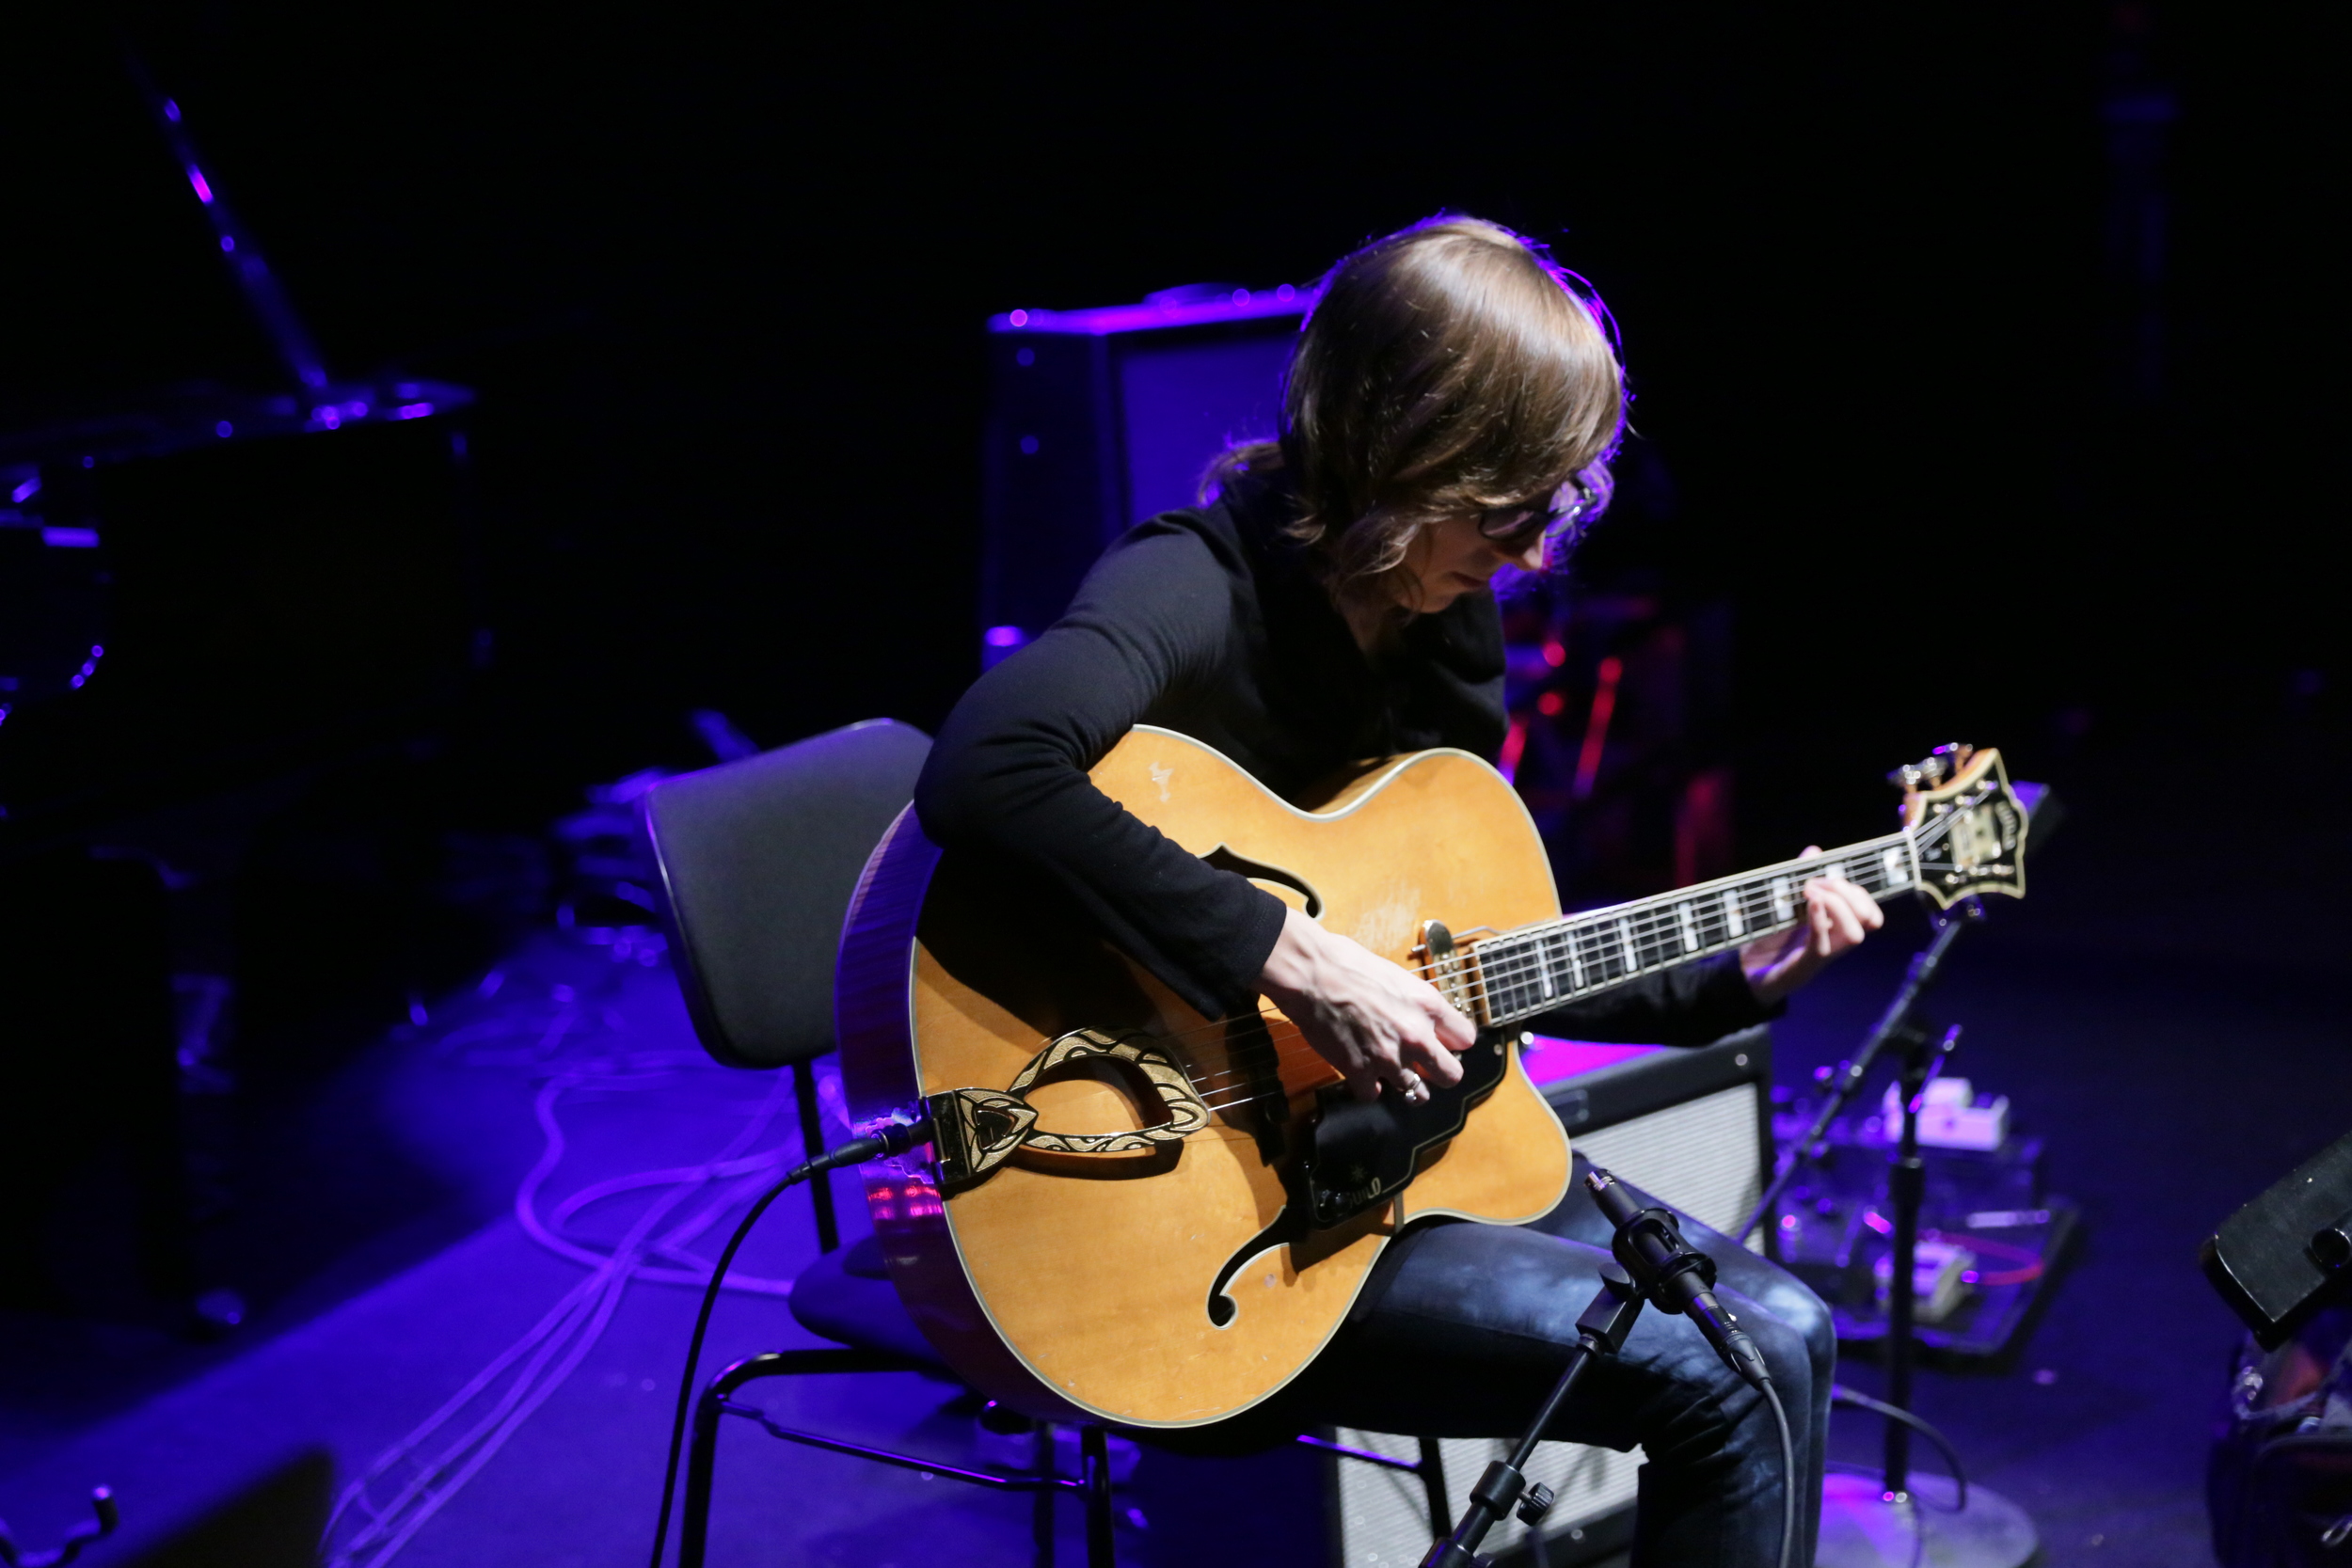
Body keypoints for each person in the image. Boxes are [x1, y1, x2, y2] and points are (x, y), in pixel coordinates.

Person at [915, 215, 1883, 1566]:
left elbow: (1475, 972)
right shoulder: (1192, 582)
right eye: (1507, 510)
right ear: (1404, 450)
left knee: (1790, 1335)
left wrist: (1740, 973)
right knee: (1727, 1379)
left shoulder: (1445, 624)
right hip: (1207, 1211)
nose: (1536, 554)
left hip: (1394, 1164)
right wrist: (1289, 957)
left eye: (1558, 508)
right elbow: (984, 768)